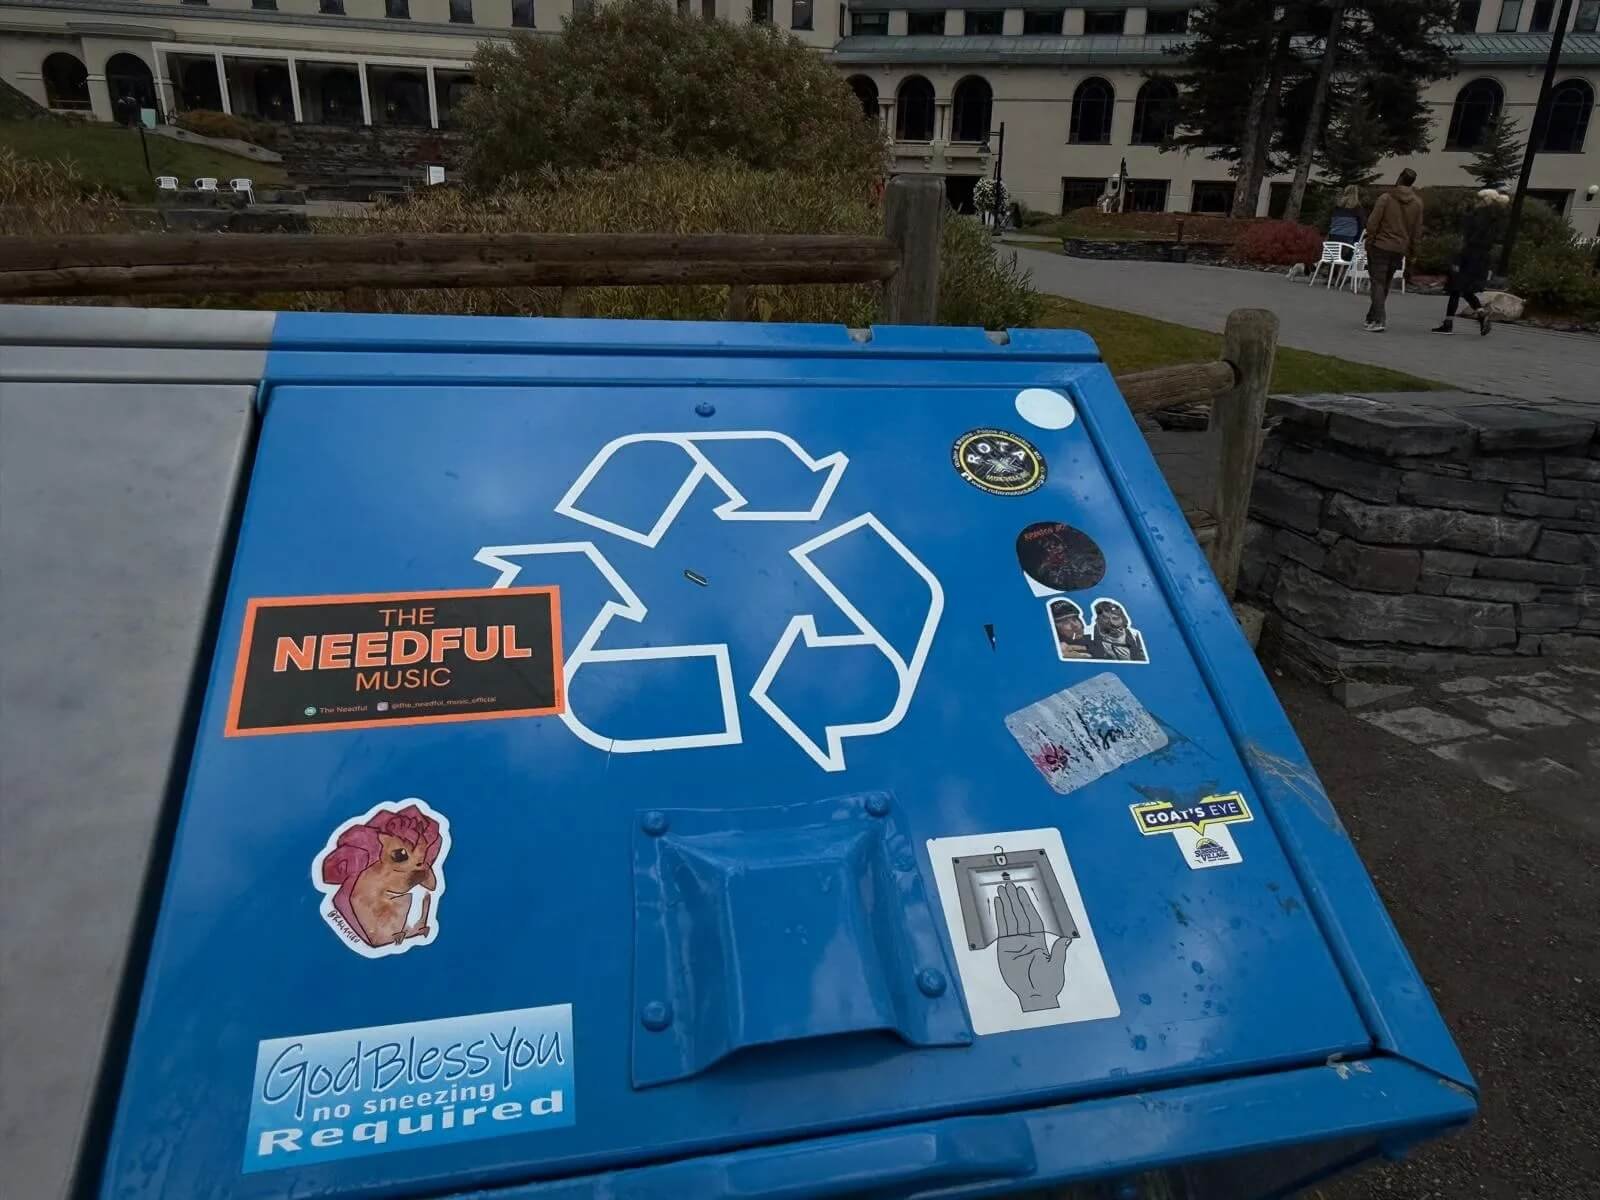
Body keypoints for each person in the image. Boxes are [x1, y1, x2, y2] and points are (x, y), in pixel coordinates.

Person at [1432, 188, 1506, 336]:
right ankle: (1481, 313)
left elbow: (1466, 238)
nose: (1477, 202)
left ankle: (1448, 323)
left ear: (1485, 200)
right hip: (1482, 258)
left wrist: (1457, 259)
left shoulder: (1477, 217)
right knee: (1466, 290)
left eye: (1480, 199)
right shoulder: (1495, 219)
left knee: (1455, 288)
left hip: (1468, 256)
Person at [1361, 167, 1424, 333]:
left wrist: (1369, 241)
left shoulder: (1386, 198)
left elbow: (1372, 223)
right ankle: (1372, 317)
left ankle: (1379, 319)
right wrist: (1413, 253)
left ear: (1399, 178)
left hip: (1381, 245)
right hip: (1399, 248)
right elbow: (1417, 232)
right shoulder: (1417, 203)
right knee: (1385, 282)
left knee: (1378, 282)